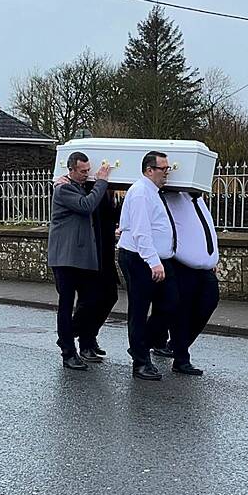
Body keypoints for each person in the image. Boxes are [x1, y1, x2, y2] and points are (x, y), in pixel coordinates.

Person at [117, 151, 179, 381]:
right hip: (139, 259)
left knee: (171, 303)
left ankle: (141, 345)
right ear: (149, 170)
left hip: (158, 259)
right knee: (139, 310)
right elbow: (141, 231)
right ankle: (140, 363)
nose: (167, 174)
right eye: (163, 169)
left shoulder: (154, 193)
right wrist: (154, 262)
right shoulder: (141, 193)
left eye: (167, 169)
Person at [47, 152, 111, 370]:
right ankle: (68, 352)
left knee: (92, 299)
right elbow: (86, 206)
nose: (86, 174)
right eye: (82, 171)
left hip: (81, 258)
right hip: (65, 258)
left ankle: (71, 335)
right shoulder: (63, 189)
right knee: (66, 305)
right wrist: (102, 181)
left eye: (88, 171)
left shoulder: (80, 186)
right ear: (71, 169)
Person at [147, 191, 218, 375]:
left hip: (204, 268)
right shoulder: (172, 197)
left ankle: (173, 344)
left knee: (209, 301)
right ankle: (181, 358)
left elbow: (203, 229)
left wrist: (208, 256)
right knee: (182, 311)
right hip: (181, 265)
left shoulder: (198, 200)